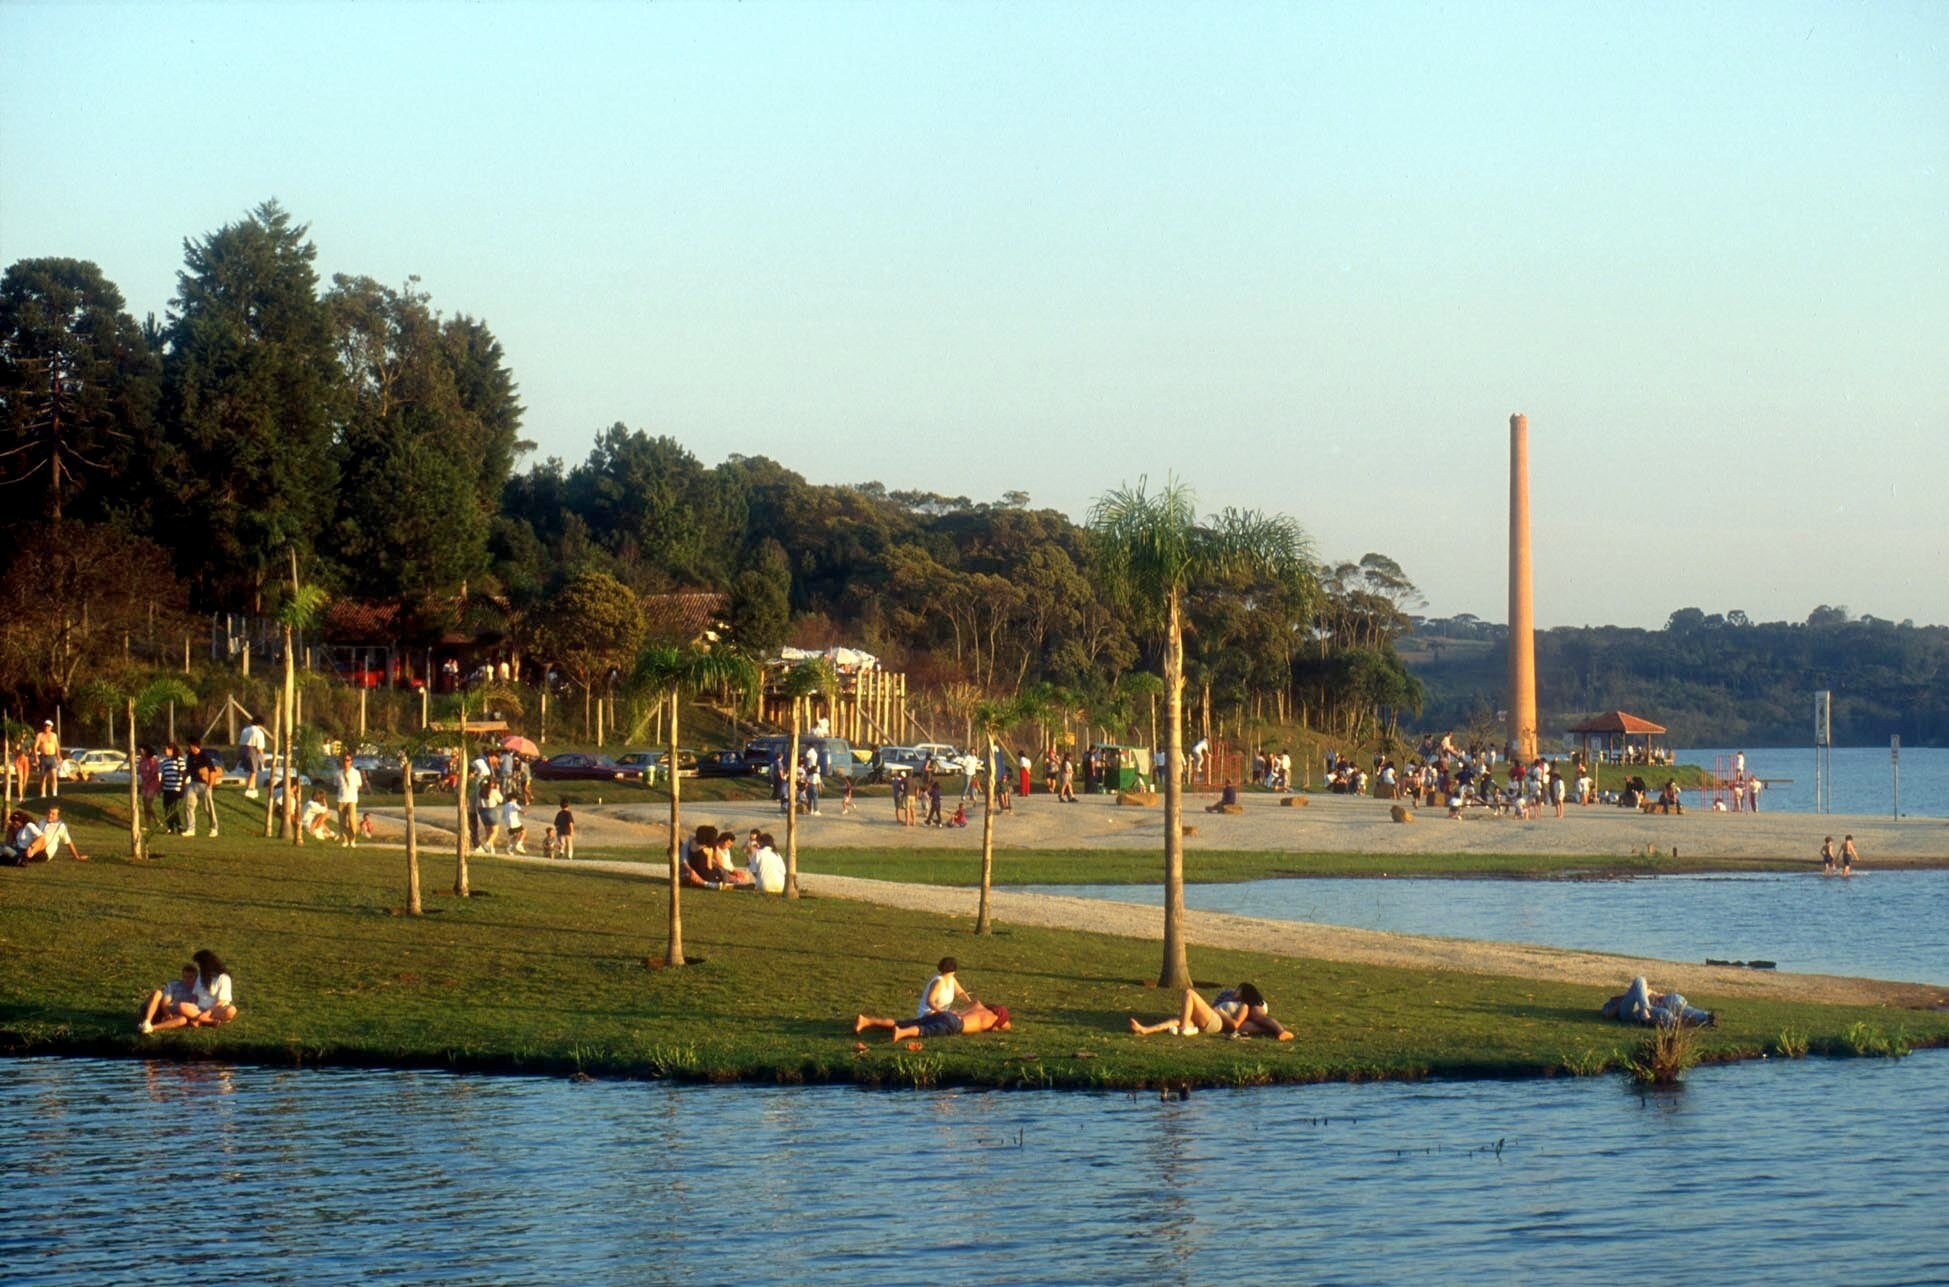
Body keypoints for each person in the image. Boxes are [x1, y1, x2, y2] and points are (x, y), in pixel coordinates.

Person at [1130, 983, 1293, 1040]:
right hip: (1213, 1017)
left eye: (1239, 989)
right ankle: (1145, 1030)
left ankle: (1185, 1028)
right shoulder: (1229, 998)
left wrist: (1219, 1012)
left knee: (1189, 993)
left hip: (1217, 1020)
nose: (1235, 991)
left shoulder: (1244, 1006)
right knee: (1176, 1019)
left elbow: (1236, 1025)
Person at [854, 1000, 1012, 1042]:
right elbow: (1007, 1026)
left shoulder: (978, 1005)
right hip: (956, 1025)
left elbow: (971, 1003)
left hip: (947, 1014)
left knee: (906, 1021)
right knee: (927, 1031)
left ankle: (867, 1021)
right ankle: (901, 1033)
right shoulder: (992, 1019)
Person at [1600, 976, 1713, 1027]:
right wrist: (1622, 1001)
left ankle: (1705, 1017)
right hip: (1630, 1011)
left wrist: (1655, 996)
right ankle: (1646, 1010)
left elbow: (1655, 995)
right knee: (1640, 979)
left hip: (1650, 1008)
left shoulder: (1644, 992)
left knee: (1671, 1007)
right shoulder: (1613, 1002)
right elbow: (1607, 1014)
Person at [136, 962, 203, 1033]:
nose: (187, 980)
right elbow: (165, 1002)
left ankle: (150, 1028)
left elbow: (193, 1009)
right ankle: (147, 1021)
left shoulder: (198, 991)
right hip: (158, 1009)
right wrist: (167, 1013)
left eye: (190, 977)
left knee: (183, 1020)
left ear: (196, 978)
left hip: (174, 1015)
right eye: (185, 977)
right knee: (158, 993)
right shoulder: (174, 985)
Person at [185, 738, 223, 838]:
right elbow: (188, 770)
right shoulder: (190, 756)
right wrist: (182, 781)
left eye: (190, 746)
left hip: (204, 785)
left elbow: (212, 771)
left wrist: (210, 786)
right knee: (189, 806)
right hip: (193, 784)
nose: (188, 748)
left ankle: (214, 828)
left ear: (194, 746)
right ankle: (191, 828)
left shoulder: (204, 756)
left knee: (208, 808)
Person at [334, 753, 363, 848]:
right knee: (342, 822)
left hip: (352, 800)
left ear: (351, 761)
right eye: (344, 760)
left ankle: (352, 839)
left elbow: (359, 786)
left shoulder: (355, 773)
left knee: (352, 820)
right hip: (341, 799)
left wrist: (353, 794)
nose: (346, 762)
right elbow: (336, 785)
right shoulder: (338, 773)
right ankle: (345, 839)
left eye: (348, 760)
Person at [239, 718, 268, 799]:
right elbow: (260, 747)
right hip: (252, 750)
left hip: (243, 749)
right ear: (261, 724)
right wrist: (263, 756)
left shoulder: (245, 730)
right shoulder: (259, 732)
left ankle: (251, 787)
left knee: (251, 771)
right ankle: (250, 790)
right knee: (254, 771)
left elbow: (241, 742)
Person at [33, 719, 61, 797]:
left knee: (54, 776)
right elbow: (35, 747)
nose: (46, 727)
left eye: (48, 726)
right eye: (45, 725)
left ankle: (54, 793)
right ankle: (43, 794)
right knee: (43, 777)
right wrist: (36, 757)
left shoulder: (54, 735)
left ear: (51, 727)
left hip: (52, 757)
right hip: (43, 757)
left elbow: (57, 747)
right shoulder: (40, 735)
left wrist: (59, 757)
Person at [137, 743, 162, 829]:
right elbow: (139, 771)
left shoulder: (153, 760)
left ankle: (157, 821)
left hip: (152, 784)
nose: (140, 752)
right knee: (145, 805)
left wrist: (147, 781)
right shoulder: (141, 760)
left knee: (148, 804)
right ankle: (148, 824)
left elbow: (154, 773)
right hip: (144, 784)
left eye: (141, 750)